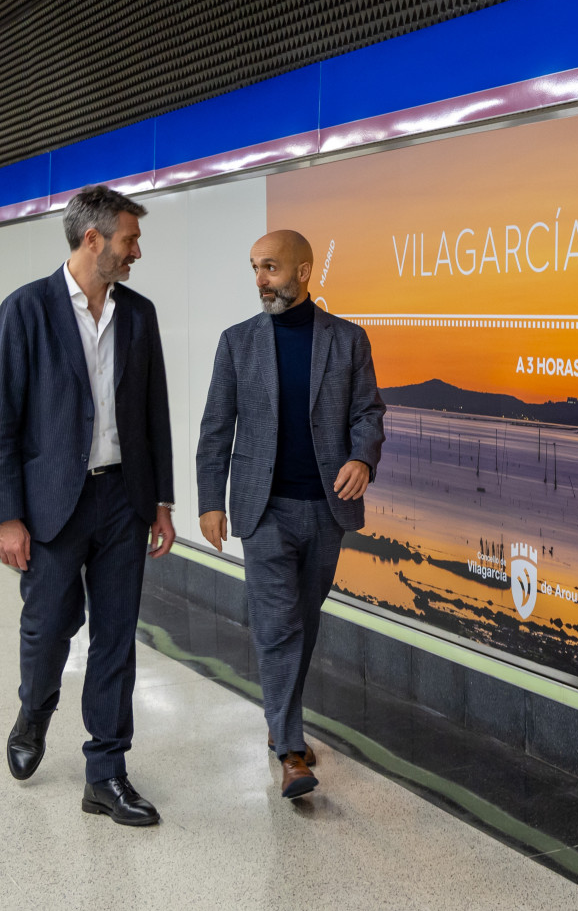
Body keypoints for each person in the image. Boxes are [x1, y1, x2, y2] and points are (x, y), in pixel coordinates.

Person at [0, 184, 175, 826]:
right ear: (93, 238)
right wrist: (6, 515)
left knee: (115, 639)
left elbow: (153, 412)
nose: (137, 250)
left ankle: (105, 771)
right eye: (130, 238)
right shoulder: (25, 310)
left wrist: (161, 500)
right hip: (50, 504)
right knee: (47, 630)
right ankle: (34, 709)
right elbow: (3, 421)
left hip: (123, 499)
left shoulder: (139, 313)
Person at [196, 229, 384, 799]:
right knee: (278, 628)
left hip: (327, 511)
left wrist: (362, 459)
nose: (261, 281)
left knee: (303, 624)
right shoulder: (237, 343)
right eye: (255, 268)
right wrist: (210, 500)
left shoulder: (348, 341)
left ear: (304, 272)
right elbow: (215, 427)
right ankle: (291, 751)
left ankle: (282, 722)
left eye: (271, 268)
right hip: (264, 510)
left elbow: (369, 413)